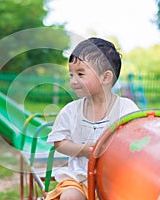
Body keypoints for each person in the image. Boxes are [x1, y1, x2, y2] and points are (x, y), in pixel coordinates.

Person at [46, 37, 139, 200]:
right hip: (79, 179)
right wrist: (81, 150)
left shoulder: (126, 109)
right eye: (71, 75)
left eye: (80, 74)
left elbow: (138, 140)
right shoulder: (71, 111)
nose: (73, 81)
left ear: (106, 77)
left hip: (115, 180)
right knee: (70, 197)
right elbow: (59, 142)